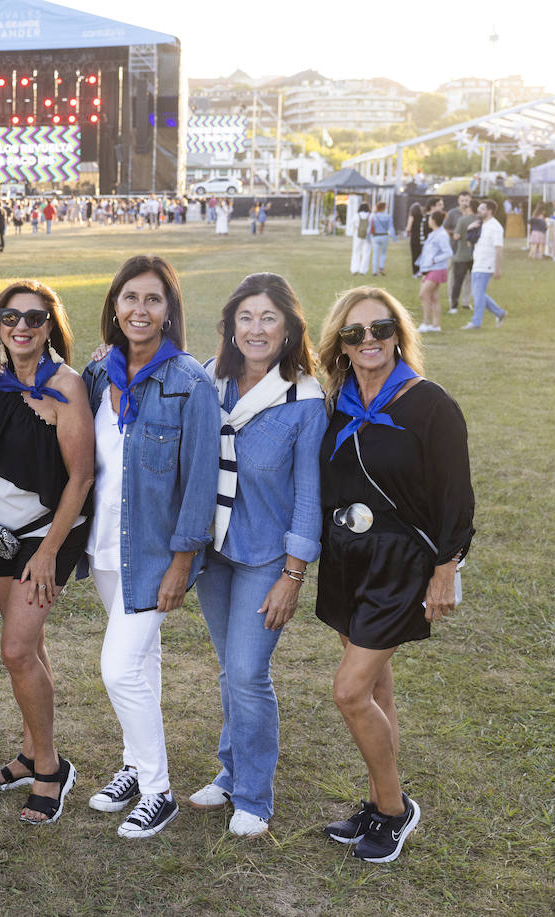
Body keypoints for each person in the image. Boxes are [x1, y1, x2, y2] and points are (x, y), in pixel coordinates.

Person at [315, 286, 473, 863]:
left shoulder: (430, 404)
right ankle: (381, 799)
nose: (369, 340)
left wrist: (445, 571)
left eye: (380, 328)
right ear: (341, 344)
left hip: (401, 564)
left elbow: (457, 499)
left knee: (350, 690)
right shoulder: (335, 402)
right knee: (376, 687)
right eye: (355, 333)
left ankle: (394, 810)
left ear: (399, 333)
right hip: (346, 559)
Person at [80, 255, 219, 839]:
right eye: (130, 297)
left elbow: (200, 483)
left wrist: (181, 564)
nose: (140, 309)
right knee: (142, 663)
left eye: (153, 300)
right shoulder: (97, 377)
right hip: (105, 547)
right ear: (115, 305)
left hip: (156, 554)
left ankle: (158, 790)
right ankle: (136, 767)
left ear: (169, 312)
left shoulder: (189, 382)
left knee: (117, 669)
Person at [189, 273, 326, 837]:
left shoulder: (305, 399)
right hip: (213, 553)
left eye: (269, 318)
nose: (256, 329)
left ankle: (253, 796)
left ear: (290, 327)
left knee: (247, 673)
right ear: (229, 326)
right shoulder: (206, 381)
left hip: (267, 558)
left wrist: (293, 573)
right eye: (246, 317)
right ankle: (230, 770)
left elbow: (308, 494)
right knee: (231, 670)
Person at [0, 279, 93, 824]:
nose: (21, 327)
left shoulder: (65, 387)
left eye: (34, 318)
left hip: (48, 535)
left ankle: (49, 769)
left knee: (16, 651)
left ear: (51, 325)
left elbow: (82, 477)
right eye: (10, 318)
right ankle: (27, 752)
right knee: (31, 648)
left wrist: (48, 551)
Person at [462, 199, 508, 330]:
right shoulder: (480, 225)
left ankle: (476, 323)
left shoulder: (495, 227)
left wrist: (497, 269)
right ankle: (500, 313)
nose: (478, 210)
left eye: (482, 208)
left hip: (486, 265)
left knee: (478, 294)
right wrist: (470, 229)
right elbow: (470, 243)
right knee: (478, 294)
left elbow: (499, 248)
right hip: (477, 263)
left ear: (489, 211)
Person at [414, 211, 452, 332]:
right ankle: (435, 325)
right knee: (433, 297)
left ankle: (425, 323)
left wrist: (435, 260)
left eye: (430, 218)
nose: (428, 221)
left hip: (437, 269)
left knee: (423, 294)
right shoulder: (433, 234)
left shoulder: (441, 235)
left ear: (434, 220)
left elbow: (448, 252)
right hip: (429, 269)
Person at [445, 192, 474, 315]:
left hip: (469, 251)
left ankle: (466, 301)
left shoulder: (474, 214)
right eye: (462, 200)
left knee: (469, 277)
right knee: (453, 276)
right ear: (458, 200)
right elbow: (445, 228)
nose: (464, 203)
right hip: (454, 248)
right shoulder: (452, 213)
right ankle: (452, 301)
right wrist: (458, 231)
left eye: (467, 200)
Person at [368, 202, 393, 276]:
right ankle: (381, 267)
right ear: (384, 208)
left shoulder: (374, 216)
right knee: (383, 253)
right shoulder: (388, 216)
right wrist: (394, 237)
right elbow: (391, 227)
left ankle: (374, 271)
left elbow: (369, 228)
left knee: (375, 254)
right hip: (384, 236)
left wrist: (367, 236)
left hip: (375, 236)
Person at [405, 203, 425, 279]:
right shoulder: (423, 217)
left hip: (414, 237)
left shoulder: (412, 216)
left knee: (414, 255)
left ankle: (415, 272)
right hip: (421, 237)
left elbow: (408, 228)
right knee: (421, 254)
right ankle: (421, 270)